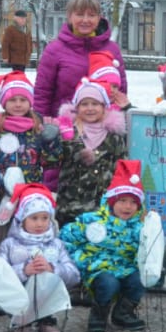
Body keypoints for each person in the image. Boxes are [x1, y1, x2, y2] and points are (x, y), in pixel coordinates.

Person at [61, 160, 148, 332]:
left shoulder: (140, 228)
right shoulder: (93, 221)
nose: (127, 206)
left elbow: (152, 249)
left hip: (127, 268)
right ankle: (99, 314)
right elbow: (66, 238)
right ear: (111, 201)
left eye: (133, 202)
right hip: (99, 268)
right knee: (109, 283)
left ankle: (123, 313)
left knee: (140, 280)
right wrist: (79, 261)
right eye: (122, 200)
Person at [0, 71, 61, 249]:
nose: (18, 104)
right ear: (4, 101)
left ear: (29, 102)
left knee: (27, 244)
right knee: (2, 244)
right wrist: (3, 182)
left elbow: (51, 161)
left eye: (23, 100)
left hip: (28, 199)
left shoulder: (37, 131)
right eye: (13, 100)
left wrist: (51, 141)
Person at [0, 183, 80, 332]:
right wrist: (23, 271)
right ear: (22, 219)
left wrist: (53, 269)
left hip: (46, 297)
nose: (40, 224)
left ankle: (46, 318)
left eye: (45, 218)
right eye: (34, 218)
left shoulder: (56, 244)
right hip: (19, 296)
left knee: (45, 279)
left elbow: (74, 274)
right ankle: (20, 321)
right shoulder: (10, 244)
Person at [34, 0, 127, 120]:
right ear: (70, 16)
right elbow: (42, 93)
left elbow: (121, 91)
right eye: (79, 14)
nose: (85, 20)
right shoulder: (54, 50)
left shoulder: (112, 50)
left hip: (102, 128)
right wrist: (41, 121)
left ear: (99, 18)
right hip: (64, 127)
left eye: (91, 15)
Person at [54, 78, 126, 225]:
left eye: (95, 104)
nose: (90, 108)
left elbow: (120, 166)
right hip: (71, 206)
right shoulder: (69, 131)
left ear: (104, 107)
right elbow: (55, 159)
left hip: (102, 207)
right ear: (77, 107)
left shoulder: (114, 135)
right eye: (84, 104)